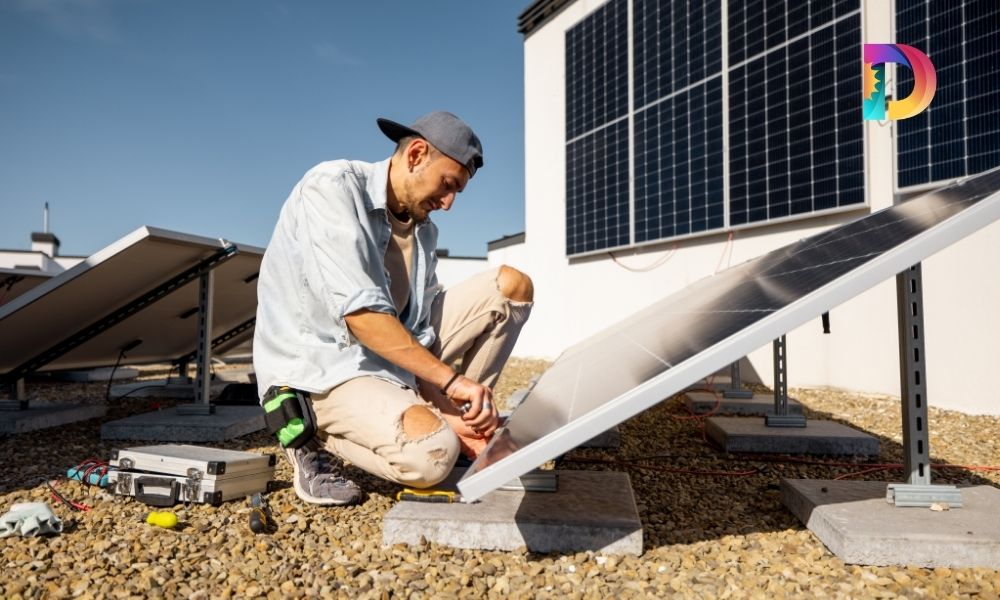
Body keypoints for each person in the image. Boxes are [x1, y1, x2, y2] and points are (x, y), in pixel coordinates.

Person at [253, 111, 533, 506]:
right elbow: (363, 318)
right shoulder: (331, 189)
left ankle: (464, 426)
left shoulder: (423, 230)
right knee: (432, 457)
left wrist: (452, 409)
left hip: (389, 361)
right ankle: (305, 431)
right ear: (416, 154)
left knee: (511, 288)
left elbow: (416, 334)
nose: (449, 203)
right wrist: (452, 384)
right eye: (448, 185)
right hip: (324, 368)